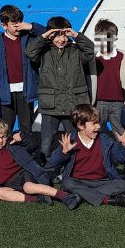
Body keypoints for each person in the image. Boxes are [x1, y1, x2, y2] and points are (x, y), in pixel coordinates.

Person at [25, 16, 95, 159]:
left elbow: (91, 50)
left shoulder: (76, 51)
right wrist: (44, 36)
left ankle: (73, 168)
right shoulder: (44, 51)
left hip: (73, 105)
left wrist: (76, 35)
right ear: (50, 35)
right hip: (51, 105)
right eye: (57, 35)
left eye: (64, 35)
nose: (61, 40)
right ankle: (47, 171)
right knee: (46, 142)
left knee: (74, 140)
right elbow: (29, 52)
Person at [47, 104, 125, 208]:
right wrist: (64, 153)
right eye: (94, 123)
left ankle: (80, 196)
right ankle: (107, 200)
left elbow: (121, 159)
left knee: (123, 185)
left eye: (98, 122)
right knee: (67, 182)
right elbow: (52, 163)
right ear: (80, 125)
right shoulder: (70, 140)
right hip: (78, 181)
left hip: (102, 182)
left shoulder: (105, 140)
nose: (98, 126)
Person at [0, 118, 75, 209]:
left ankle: (65, 196)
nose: (0, 140)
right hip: (8, 184)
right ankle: (39, 199)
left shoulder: (12, 144)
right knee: (0, 193)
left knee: (28, 187)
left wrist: (22, 137)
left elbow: (33, 145)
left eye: (3, 136)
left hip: (24, 174)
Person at [0, 5, 46, 142]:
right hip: (5, 92)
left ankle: (27, 157)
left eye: (20, 23)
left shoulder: (30, 38)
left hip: (26, 91)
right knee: (5, 128)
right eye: (15, 25)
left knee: (26, 129)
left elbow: (48, 35)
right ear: (4, 25)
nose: (19, 27)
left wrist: (31, 27)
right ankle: (7, 157)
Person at [90, 19, 125, 134]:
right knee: (95, 133)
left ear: (115, 38)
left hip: (119, 103)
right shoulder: (92, 58)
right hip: (98, 103)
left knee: (122, 134)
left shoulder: (124, 57)